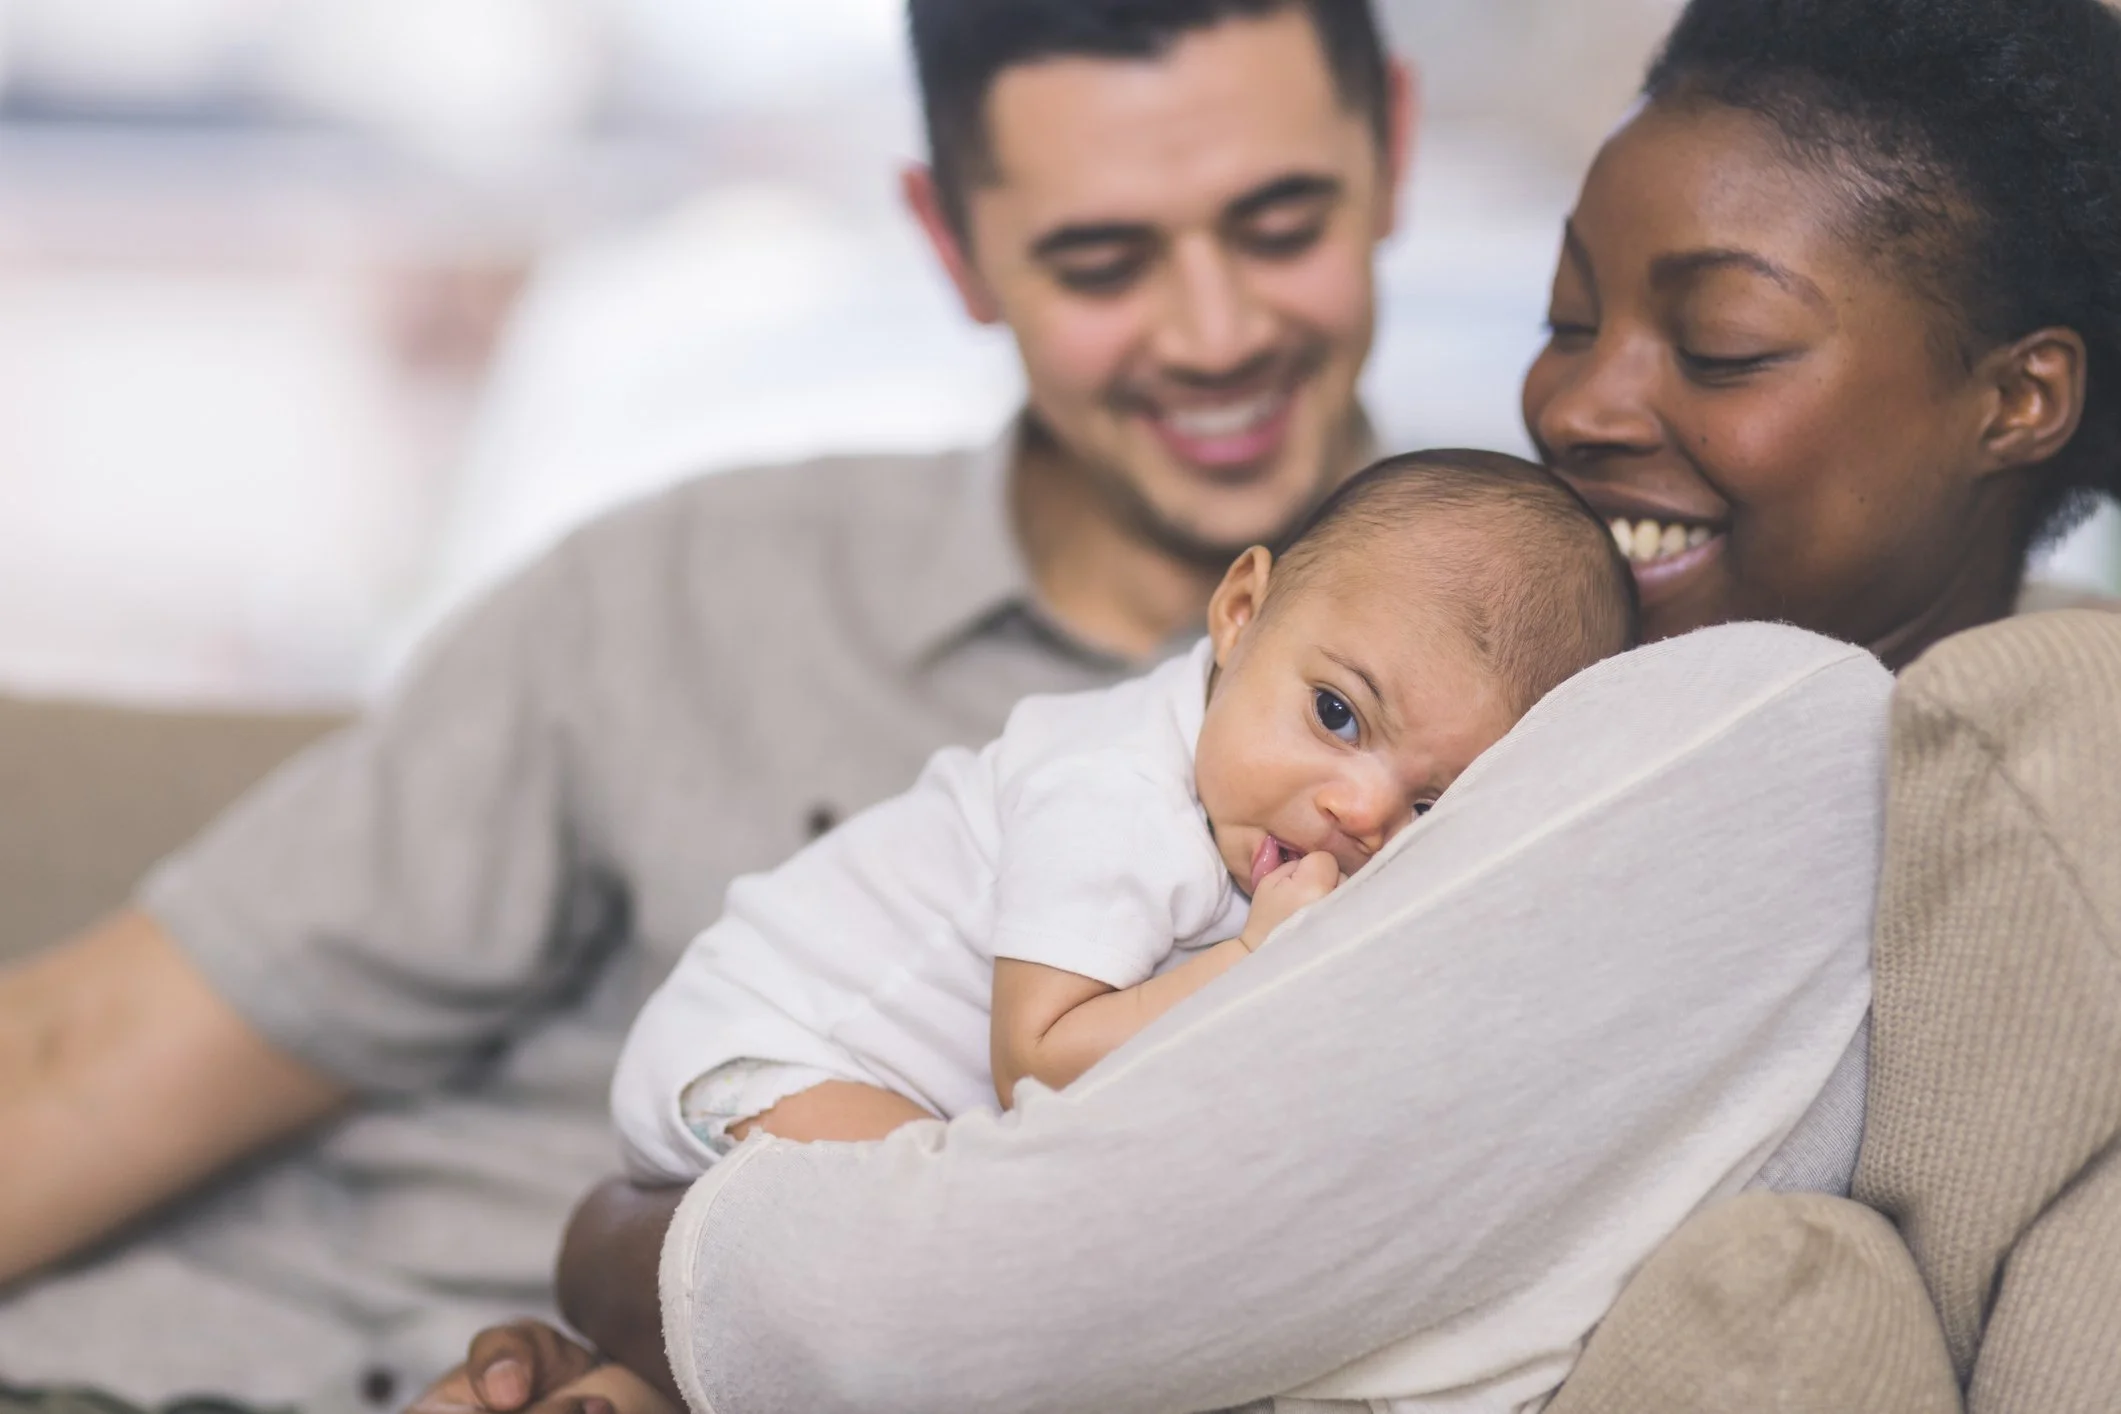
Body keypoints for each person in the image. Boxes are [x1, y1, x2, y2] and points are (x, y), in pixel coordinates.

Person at [425, 0, 2121, 1409]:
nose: (1580, 402)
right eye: (1564, 316)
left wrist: (627, 1244)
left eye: (1726, 344)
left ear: (2021, 394)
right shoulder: (1534, 706)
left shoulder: (1781, 748)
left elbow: (966, 1292)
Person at [0, 2, 1412, 1408]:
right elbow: (88, 1051)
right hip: (141, 1360)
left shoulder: (1522, 733)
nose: (1217, 330)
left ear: (1393, 155)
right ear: (953, 247)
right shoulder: (687, 588)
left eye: (1280, 226)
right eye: (1100, 260)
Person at [611, 453, 1638, 1181]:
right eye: (1336, 713)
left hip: (880, 1090)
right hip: (761, 1047)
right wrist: (1249, 966)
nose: (1362, 811)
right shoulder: (1117, 792)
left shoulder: (1258, 830)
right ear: (1240, 615)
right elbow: (1041, 1059)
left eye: (1434, 804)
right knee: (954, 1250)